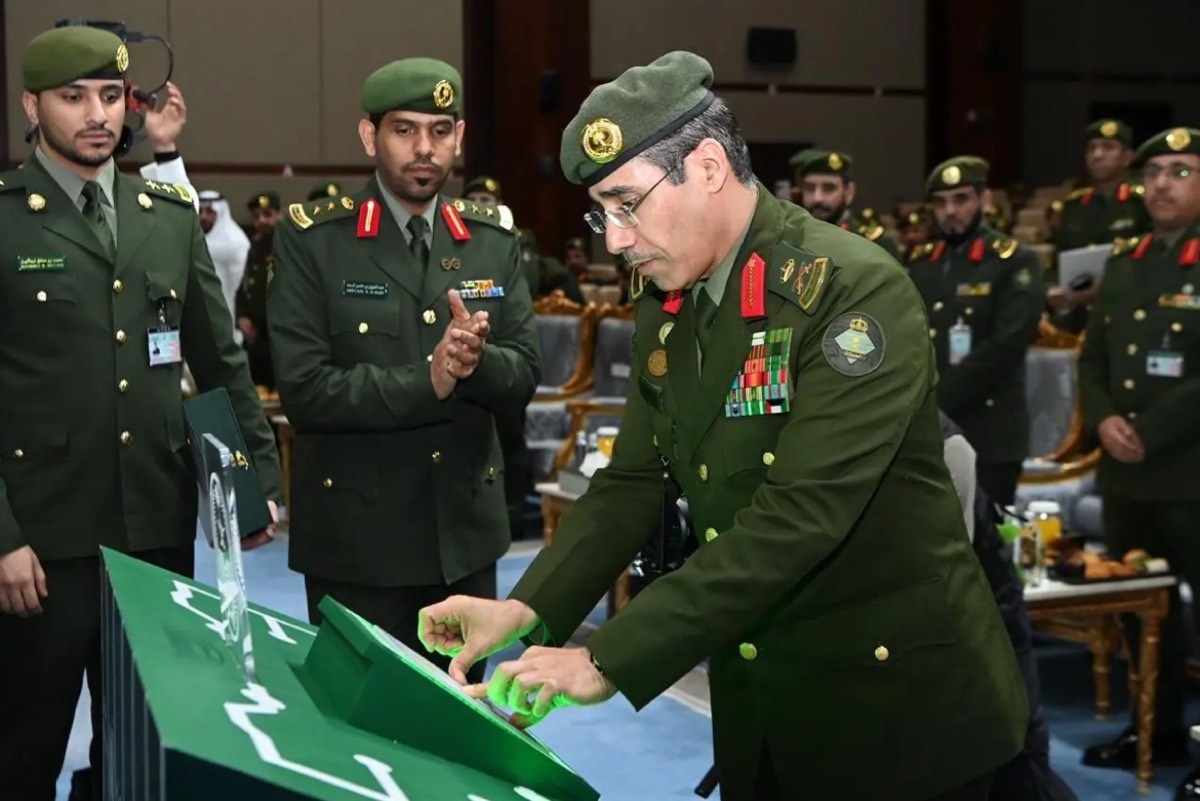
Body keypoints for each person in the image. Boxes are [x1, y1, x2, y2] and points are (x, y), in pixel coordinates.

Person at [418, 50, 1027, 801]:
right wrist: (523, 608)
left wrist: (608, 657)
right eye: (602, 213)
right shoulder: (670, 295)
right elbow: (634, 480)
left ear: (707, 167)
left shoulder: (850, 289)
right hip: (762, 702)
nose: (615, 239)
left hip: (895, 711)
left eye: (627, 204)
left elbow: (800, 516)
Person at [0, 27, 282, 801]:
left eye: (110, 96)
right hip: (42, 544)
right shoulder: (7, 220)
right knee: (24, 748)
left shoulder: (166, 213)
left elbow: (221, 361)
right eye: (73, 97)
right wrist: (3, 536)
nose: (98, 114)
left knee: (143, 751)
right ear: (32, 106)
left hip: (154, 531)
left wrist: (251, 485)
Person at [267, 57, 540, 685]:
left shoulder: (492, 238)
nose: (424, 148)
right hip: (358, 546)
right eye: (405, 130)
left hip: (463, 545)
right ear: (371, 137)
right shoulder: (315, 240)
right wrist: (430, 378)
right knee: (354, 729)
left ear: (459, 137)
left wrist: (472, 362)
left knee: (457, 726)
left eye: (440, 131)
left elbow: (525, 372)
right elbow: (305, 392)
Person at [1076, 126, 1200, 799]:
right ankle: (1156, 730)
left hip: (1189, 472)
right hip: (1127, 473)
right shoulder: (1126, 261)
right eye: (1153, 172)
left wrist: (1148, 429)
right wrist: (1103, 419)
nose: (1161, 184)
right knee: (1139, 611)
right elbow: (1093, 356)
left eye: (1180, 171)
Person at [938, 412, 1081, 801]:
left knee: (1018, 761)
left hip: (987, 622)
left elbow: (950, 574)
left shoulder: (947, 445)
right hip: (948, 632)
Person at [907, 156, 1045, 507]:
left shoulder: (1013, 261)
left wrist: (934, 401)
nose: (950, 211)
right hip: (931, 433)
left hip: (989, 433)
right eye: (940, 202)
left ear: (984, 200)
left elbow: (1005, 346)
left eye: (961, 199)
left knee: (988, 537)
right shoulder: (923, 263)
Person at [1049, 119, 1151, 334]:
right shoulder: (1073, 206)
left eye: (1108, 147)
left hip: (1127, 312)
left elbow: (1153, 263)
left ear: (1127, 157)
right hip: (1077, 314)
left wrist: (1106, 288)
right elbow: (1056, 262)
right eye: (1092, 148)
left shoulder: (1142, 203)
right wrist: (1051, 289)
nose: (1097, 155)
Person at [794, 148, 904, 262]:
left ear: (849, 192)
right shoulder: (793, 238)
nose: (818, 198)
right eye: (809, 188)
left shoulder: (873, 243)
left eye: (829, 188)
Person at [235, 191, 281, 389]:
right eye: (256, 216)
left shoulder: (287, 246)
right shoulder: (255, 246)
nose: (262, 220)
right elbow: (245, 285)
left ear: (279, 214)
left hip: (277, 337)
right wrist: (242, 316)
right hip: (255, 340)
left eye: (268, 214)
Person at [198, 190, 250, 331]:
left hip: (226, 308)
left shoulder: (235, 241)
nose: (203, 216)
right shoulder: (196, 239)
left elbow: (239, 284)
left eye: (209, 212)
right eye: (200, 211)